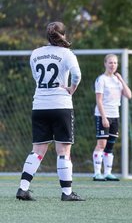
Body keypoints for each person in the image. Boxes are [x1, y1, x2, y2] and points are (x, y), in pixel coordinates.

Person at [16, 21, 84, 201]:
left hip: (39, 105)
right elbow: (77, 75)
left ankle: (23, 188)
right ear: (64, 34)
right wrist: (72, 88)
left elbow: (36, 77)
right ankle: (67, 193)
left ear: (47, 36)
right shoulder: (67, 54)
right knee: (63, 151)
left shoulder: (36, 53)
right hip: (60, 105)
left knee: (37, 150)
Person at [92, 54, 132, 181]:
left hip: (115, 115)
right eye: (110, 63)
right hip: (103, 115)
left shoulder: (117, 80)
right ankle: (97, 173)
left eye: (115, 63)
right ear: (105, 64)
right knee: (101, 144)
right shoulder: (101, 79)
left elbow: (128, 95)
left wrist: (121, 80)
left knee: (110, 145)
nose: (112, 65)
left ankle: (107, 173)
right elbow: (98, 100)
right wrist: (104, 117)